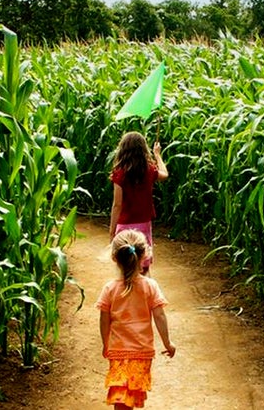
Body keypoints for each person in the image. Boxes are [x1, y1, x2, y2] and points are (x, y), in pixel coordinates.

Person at [96, 229, 176, 410]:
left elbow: (104, 319)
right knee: (129, 397)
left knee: (121, 397)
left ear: (114, 258)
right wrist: (167, 342)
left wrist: (105, 343)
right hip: (141, 351)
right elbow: (159, 316)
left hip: (118, 351)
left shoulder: (110, 289)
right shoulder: (150, 286)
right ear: (144, 256)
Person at [109, 131, 168, 276]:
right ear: (143, 149)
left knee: (125, 265)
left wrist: (112, 231)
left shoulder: (119, 173)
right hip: (143, 224)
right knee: (143, 263)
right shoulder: (149, 170)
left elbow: (117, 205)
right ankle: (145, 292)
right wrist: (157, 154)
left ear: (123, 149)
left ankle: (126, 294)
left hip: (124, 224)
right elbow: (164, 174)